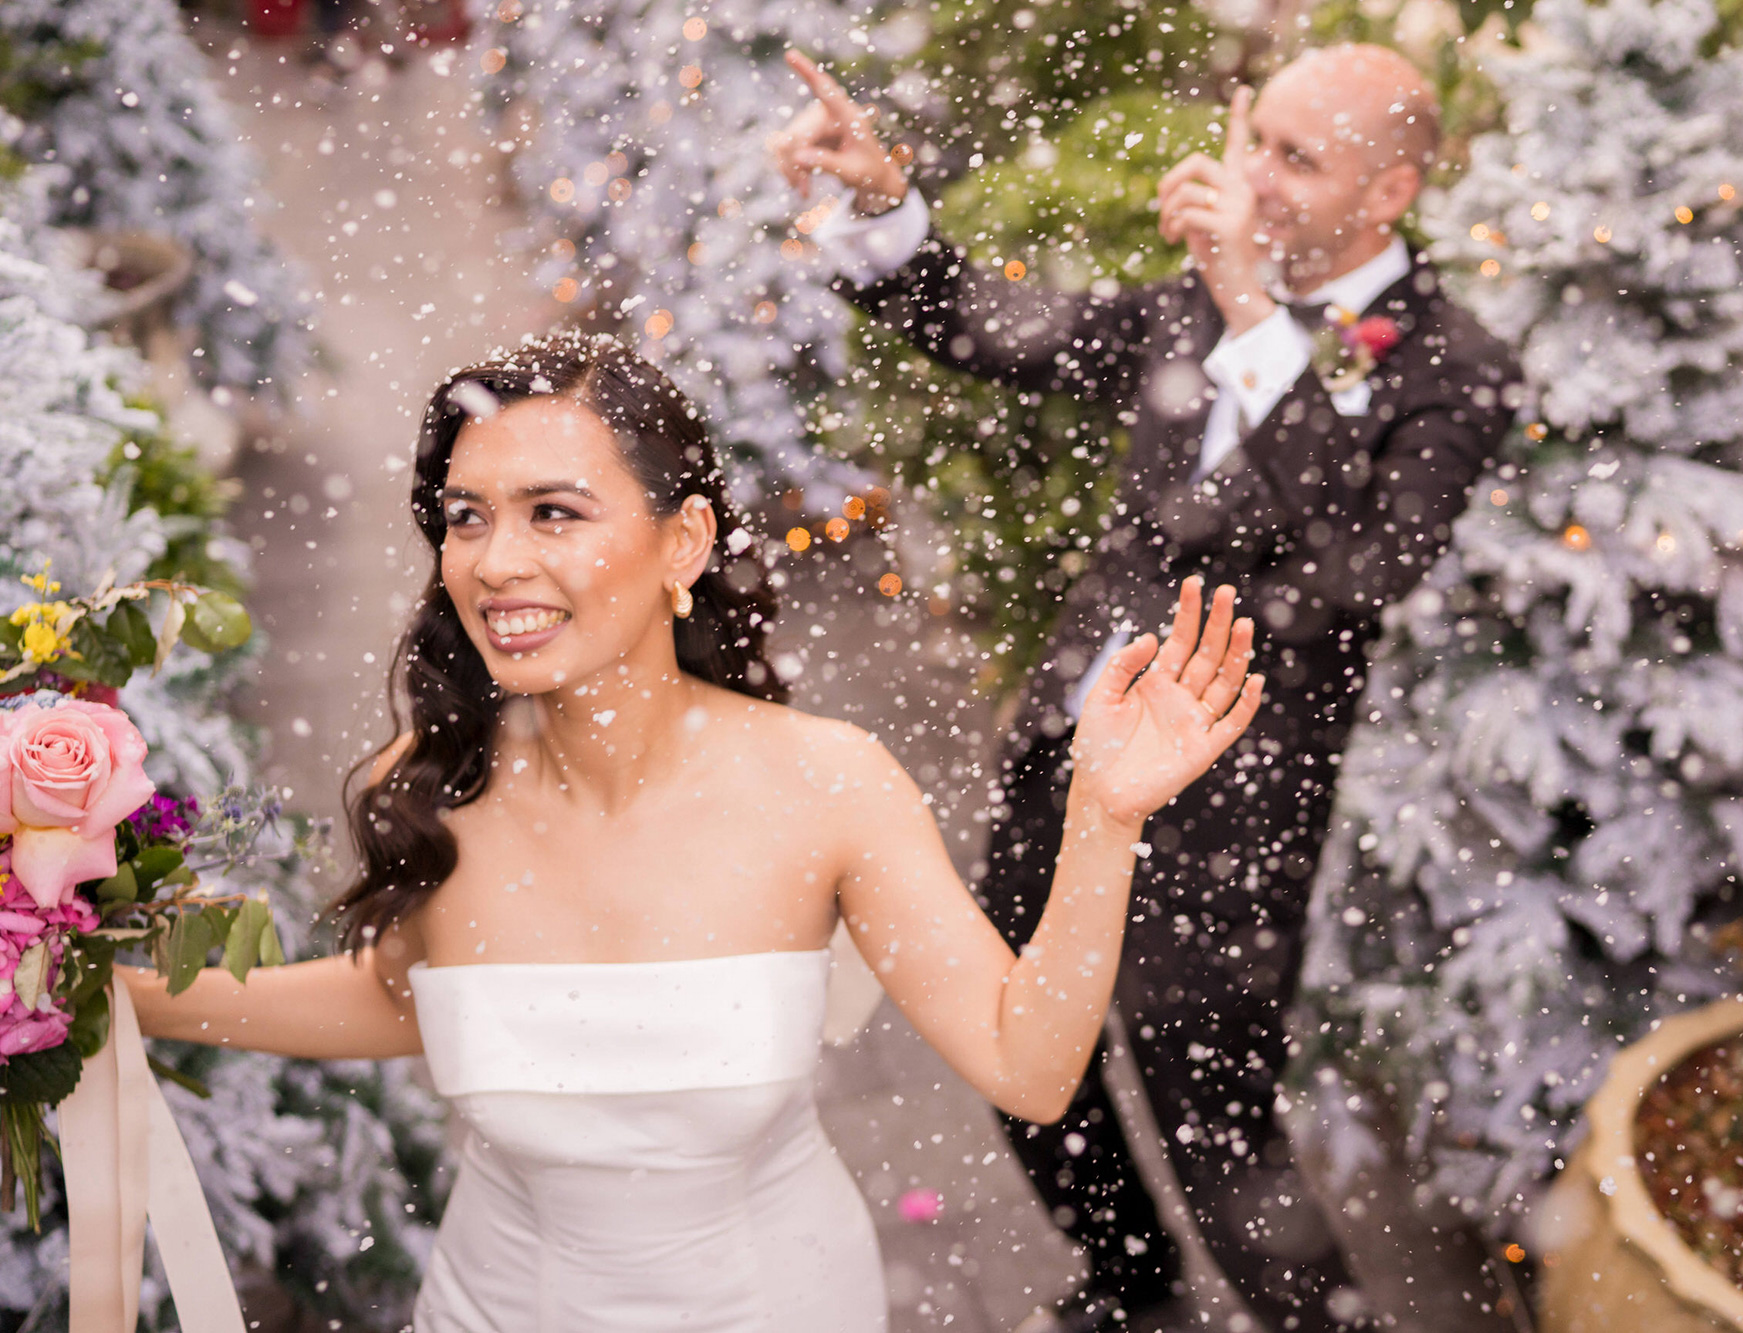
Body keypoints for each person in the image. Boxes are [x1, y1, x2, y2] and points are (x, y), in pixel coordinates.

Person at [119, 331, 1264, 1332]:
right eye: (467, 518)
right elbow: (401, 995)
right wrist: (102, 992)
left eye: (553, 513)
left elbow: (1029, 1066)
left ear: (684, 543)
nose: (495, 561)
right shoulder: (429, 785)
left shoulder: (825, 784)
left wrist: (1105, 818)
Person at [769, 44, 1521, 1333]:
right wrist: (888, 202)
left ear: (1389, 190)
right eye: (1255, 137)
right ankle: (1127, 1285)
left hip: (1232, 817)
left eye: (1297, 156)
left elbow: (1357, 566)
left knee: (1221, 1139)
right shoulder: (1199, 302)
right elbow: (1001, 333)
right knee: (1016, 1047)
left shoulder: (1449, 364)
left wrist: (1245, 308)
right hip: (1071, 762)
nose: (1253, 174)